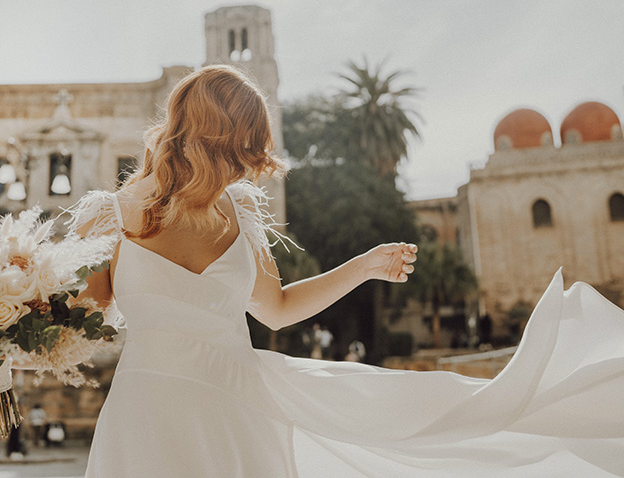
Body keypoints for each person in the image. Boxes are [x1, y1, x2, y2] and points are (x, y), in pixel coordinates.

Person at [68, 65, 624, 477]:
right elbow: (76, 321)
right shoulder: (106, 217)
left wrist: (362, 267)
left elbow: (278, 308)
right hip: (147, 411)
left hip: (238, 409)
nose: (246, 168)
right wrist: (5, 306)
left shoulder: (239, 214)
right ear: (208, 138)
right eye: (239, 151)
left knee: (433, 417)